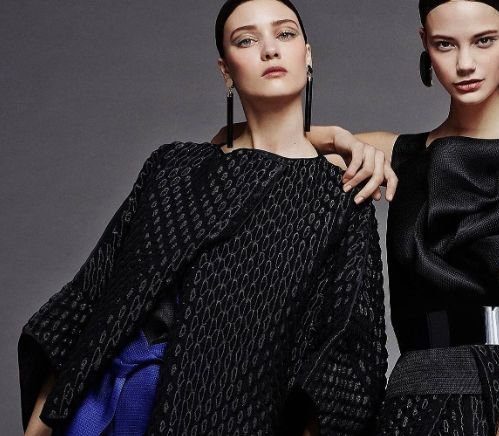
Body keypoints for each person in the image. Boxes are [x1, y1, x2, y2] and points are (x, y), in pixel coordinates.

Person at [19, 1, 389, 434]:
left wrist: (334, 140)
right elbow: (88, 301)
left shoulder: (339, 196)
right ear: (226, 71)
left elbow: (344, 360)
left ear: (308, 56)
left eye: (285, 34)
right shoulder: (172, 167)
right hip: (99, 412)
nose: (270, 49)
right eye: (246, 40)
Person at [300, 0, 499, 433]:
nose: (465, 64)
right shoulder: (398, 153)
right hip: (418, 393)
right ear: (424, 42)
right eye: (445, 44)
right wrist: (335, 138)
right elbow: (242, 147)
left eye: (484, 41)